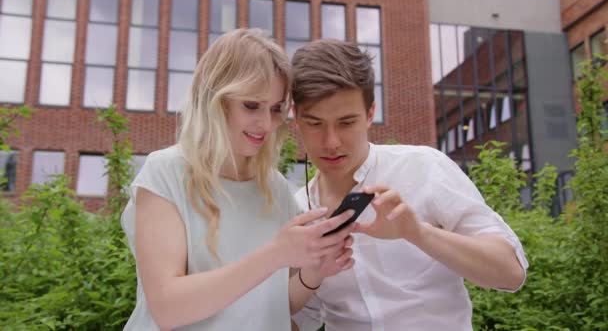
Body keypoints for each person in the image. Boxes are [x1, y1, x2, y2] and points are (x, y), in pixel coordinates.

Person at [120, 29, 355, 330]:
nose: (266, 124)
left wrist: (315, 273)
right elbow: (168, 307)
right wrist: (275, 255)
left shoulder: (276, 189)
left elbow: (273, 306)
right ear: (216, 98)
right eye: (251, 105)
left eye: (275, 109)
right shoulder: (166, 172)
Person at [289, 39, 529, 330]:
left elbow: (510, 272)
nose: (331, 142)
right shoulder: (297, 210)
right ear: (296, 119)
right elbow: (300, 319)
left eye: (346, 122)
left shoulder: (423, 167)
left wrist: (416, 232)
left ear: (370, 114)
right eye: (315, 124)